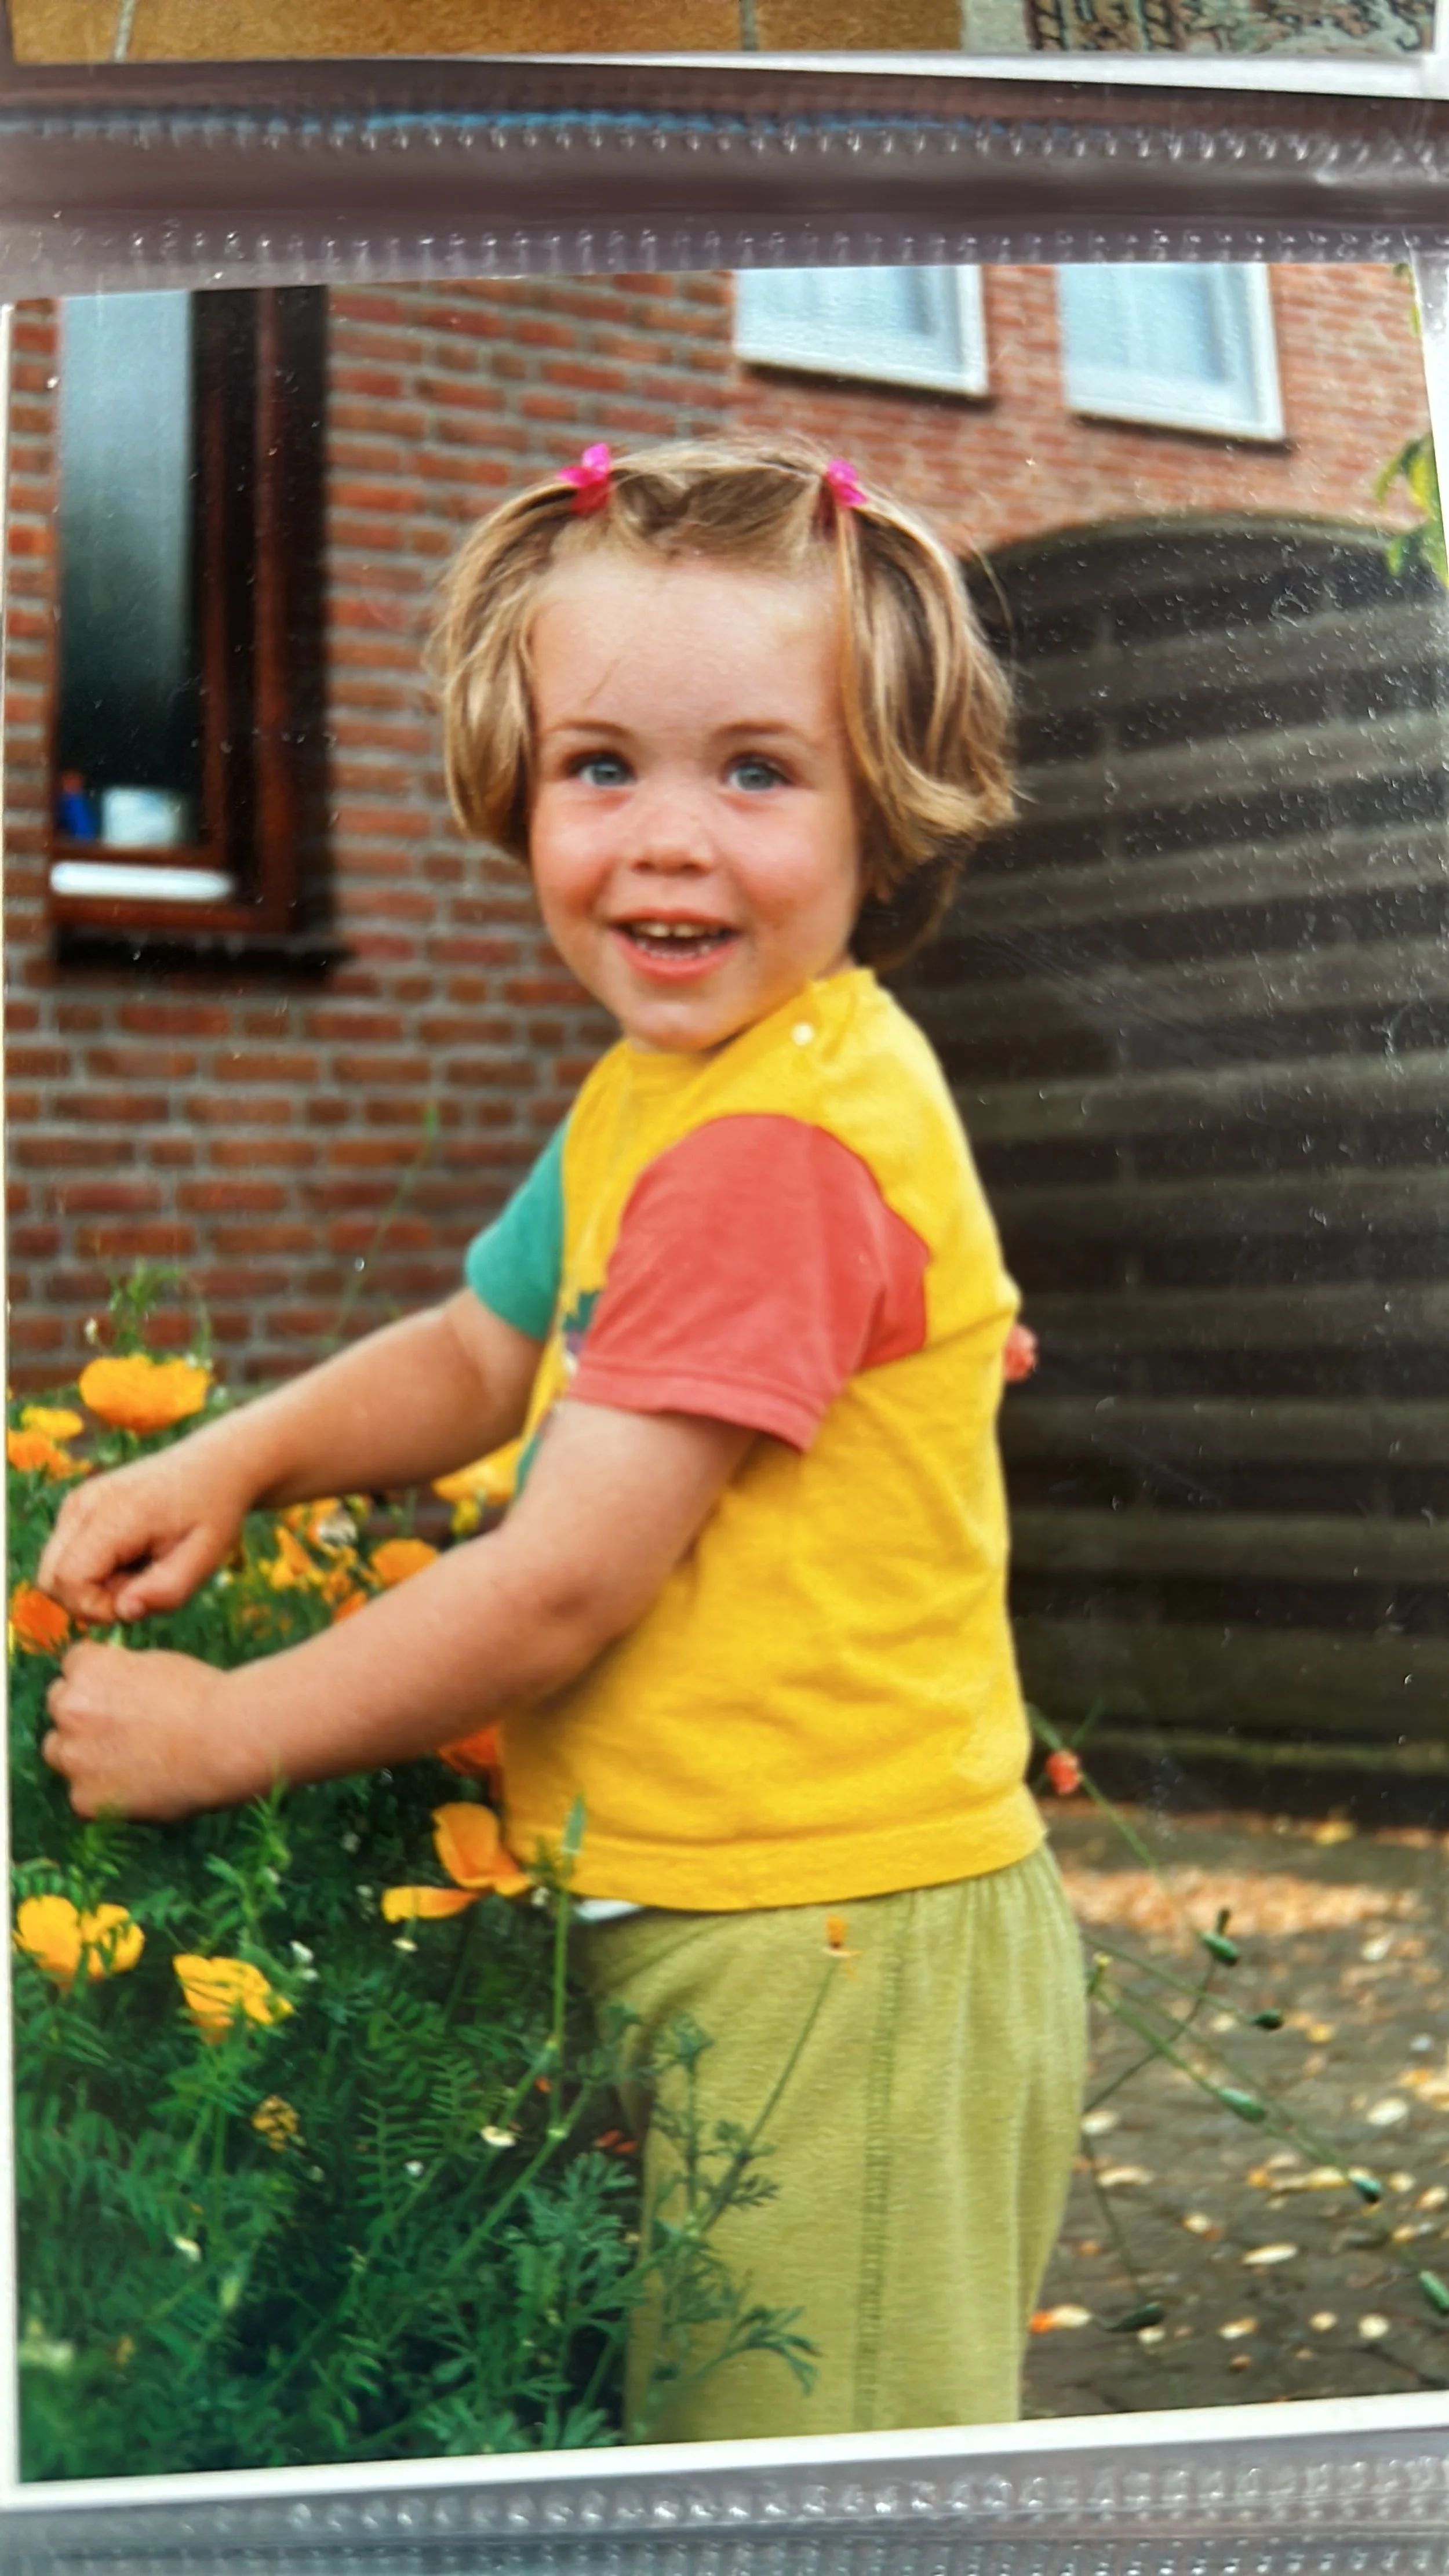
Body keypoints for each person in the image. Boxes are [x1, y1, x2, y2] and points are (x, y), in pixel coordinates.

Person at [37, 436, 1086, 2446]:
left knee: (814, 2490)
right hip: (730, 1908)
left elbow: (563, 1579)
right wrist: (233, 1457)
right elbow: (478, 1345)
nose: (665, 840)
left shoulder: (769, 1150)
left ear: (892, 810)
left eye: (756, 772)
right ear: (517, 789)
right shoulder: (662, 1093)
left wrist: (225, 1731)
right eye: (601, 767)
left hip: (829, 1945)